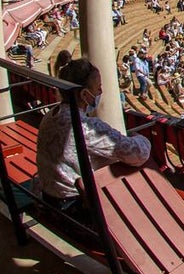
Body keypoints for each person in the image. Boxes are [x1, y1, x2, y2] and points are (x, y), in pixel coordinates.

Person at [35, 58, 152, 217]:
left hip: (49, 196)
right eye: (98, 88)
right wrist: (139, 137)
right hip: (73, 204)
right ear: (85, 95)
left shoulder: (50, 115)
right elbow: (139, 153)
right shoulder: (86, 127)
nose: (101, 92)